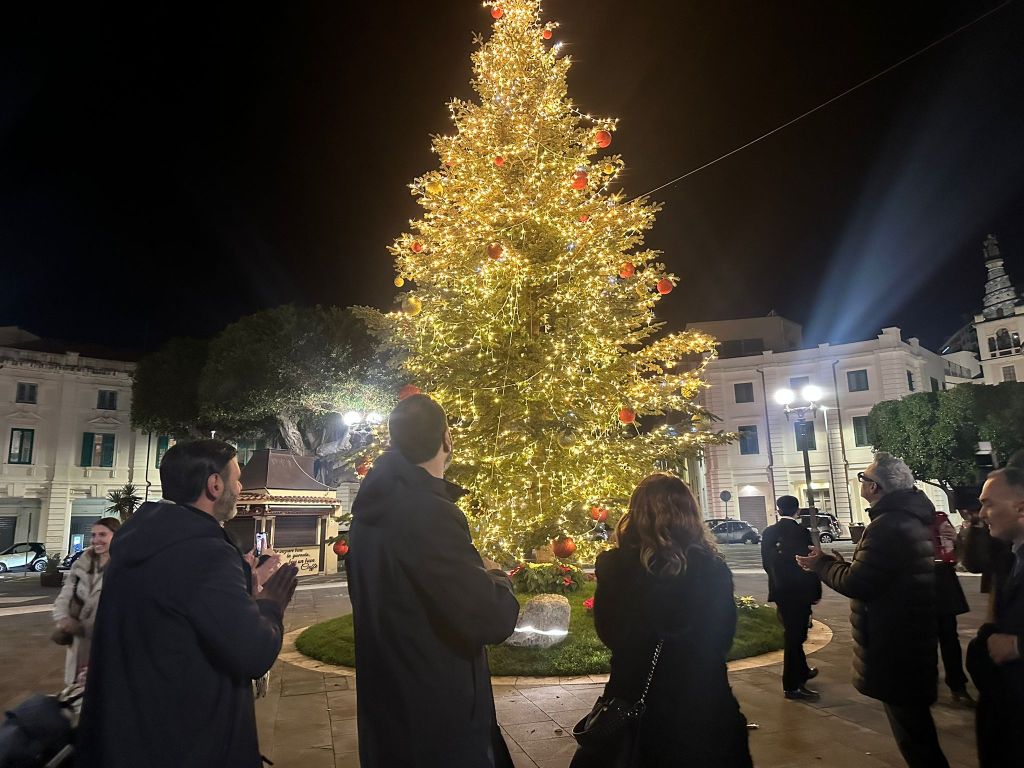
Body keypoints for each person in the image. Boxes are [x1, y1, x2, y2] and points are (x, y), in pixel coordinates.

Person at [75, 439, 299, 768]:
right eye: (237, 478)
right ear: (214, 484)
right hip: (191, 740)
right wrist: (269, 605)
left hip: (129, 735)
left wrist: (242, 589)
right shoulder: (206, 551)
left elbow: (180, 621)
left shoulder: (140, 540)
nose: (239, 487)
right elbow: (253, 652)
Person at [347, 394, 520, 767]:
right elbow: (489, 617)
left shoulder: (368, 514)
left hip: (391, 713)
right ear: (447, 439)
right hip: (438, 722)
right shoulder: (427, 513)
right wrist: (496, 577)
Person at [570, 473, 752, 768]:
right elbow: (722, 639)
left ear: (636, 513)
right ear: (690, 515)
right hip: (701, 702)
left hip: (634, 698)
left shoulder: (616, 567)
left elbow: (609, 633)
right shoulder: (710, 570)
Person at [797, 452, 947, 768]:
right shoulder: (906, 518)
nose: (861, 483)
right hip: (908, 640)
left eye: (863, 478)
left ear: (875, 487)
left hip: (895, 644)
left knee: (916, 740)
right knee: (917, 734)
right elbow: (879, 574)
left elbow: (858, 583)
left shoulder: (888, 525)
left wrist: (823, 564)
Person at [963, 467, 1024, 767]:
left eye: (989, 503)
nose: (982, 512)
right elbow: (975, 561)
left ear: (1020, 507)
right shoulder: (1011, 553)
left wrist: (1017, 646)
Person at [760, 495, 821, 700]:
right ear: (797, 511)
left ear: (778, 510)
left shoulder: (769, 532)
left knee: (793, 632)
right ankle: (792, 685)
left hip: (780, 591)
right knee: (795, 637)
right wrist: (814, 592)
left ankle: (802, 671)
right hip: (799, 592)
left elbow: (767, 564)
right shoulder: (801, 532)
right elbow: (809, 564)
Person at [52, 517, 121, 686]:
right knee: (77, 692)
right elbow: (65, 595)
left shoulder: (124, 566)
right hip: (79, 642)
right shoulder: (82, 563)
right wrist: (62, 618)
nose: (96, 540)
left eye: (102, 535)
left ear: (117, 536)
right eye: (93, 535)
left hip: (107, 643)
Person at [931, 505, 974, 706]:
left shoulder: (937, 519)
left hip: (942, 582)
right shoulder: (899, 520)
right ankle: (936, 684)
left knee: (949, 638)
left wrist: (955, 541)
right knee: (927, 640)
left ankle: (957, 685)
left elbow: (961, 558)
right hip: (918, 585)